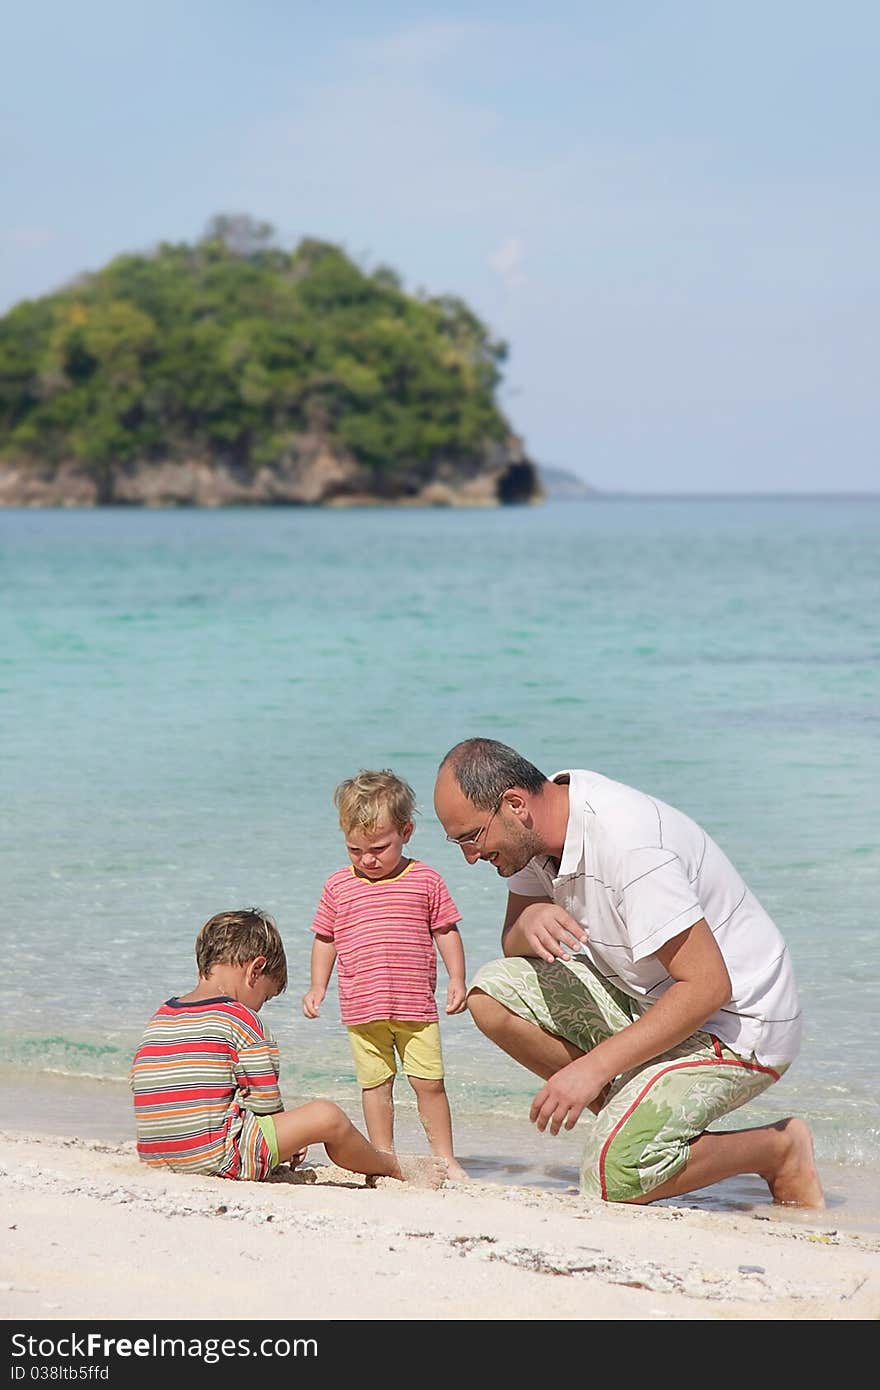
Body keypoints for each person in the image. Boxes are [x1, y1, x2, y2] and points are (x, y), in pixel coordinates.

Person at [433, 738, 825, 1208]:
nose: (469, 857)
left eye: (470, 838)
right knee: (490, 993)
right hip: (650, 1000)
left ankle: (779, 1149)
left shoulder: (629, 844)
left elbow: (707, 986)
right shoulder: (539, 828)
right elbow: (514, 943)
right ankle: (631, 1113)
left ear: (515, 803)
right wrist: (528, 921)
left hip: (740, 1026)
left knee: (613, 1175)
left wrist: (591, 1068)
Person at [130, 908, 447, 1187]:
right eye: (265, 998)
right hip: (218, 1158)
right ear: (256, 969)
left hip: (157, 1155)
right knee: (327, 1116)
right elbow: (264, 1101)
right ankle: (388, 1164)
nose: (260, 1007)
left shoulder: (161, 1016)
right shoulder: (241, 1018)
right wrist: (289, 1142)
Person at [303, 770, 469, 1180]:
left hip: (415, 1006)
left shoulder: (425, 879)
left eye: (379, 847)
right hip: (362, 1007)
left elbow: (445, 930)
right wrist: (317, 987)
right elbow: (326, 939)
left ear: (406, 831)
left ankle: (444, 1157)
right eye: (355, 850)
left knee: (429, 1083)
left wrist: (457, 979)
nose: (367, 859)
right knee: (376, 1086)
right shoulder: (338, 886)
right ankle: (383, 1158)